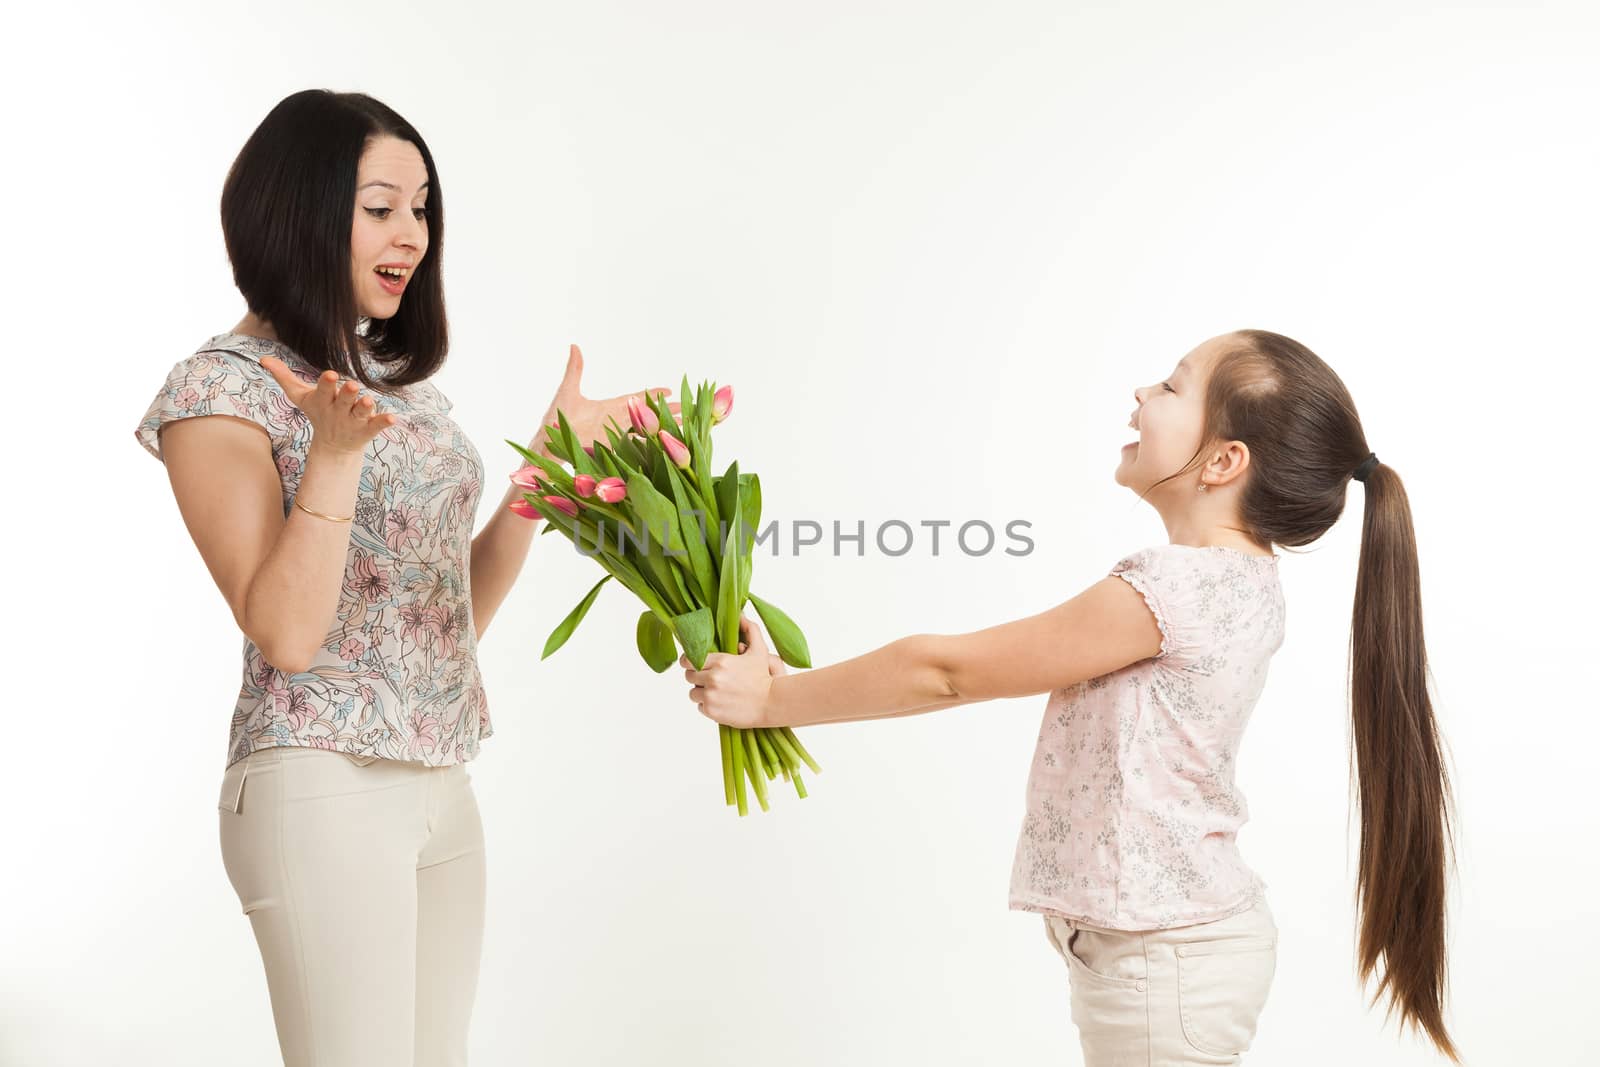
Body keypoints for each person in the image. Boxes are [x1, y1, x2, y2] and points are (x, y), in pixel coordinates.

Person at [682, 329, 1459, 1065]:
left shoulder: (1176, 588)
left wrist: (773, 701)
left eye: (1171, 384)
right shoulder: (1242, 582)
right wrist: (779, 685)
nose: (1143, 391)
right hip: (1171, 951)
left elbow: (948, 671)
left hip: (1163, 962)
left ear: (1223, 460)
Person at [133, 89, 675, 1067]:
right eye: (381, 206)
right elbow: (288, 633)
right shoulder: (215, 391)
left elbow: (444, 618)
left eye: (421, 207)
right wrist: (333, 456)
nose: (412, 234)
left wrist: (542, 477)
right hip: (317, 778)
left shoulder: (395, 391)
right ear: (298, 209)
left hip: (439, 777)